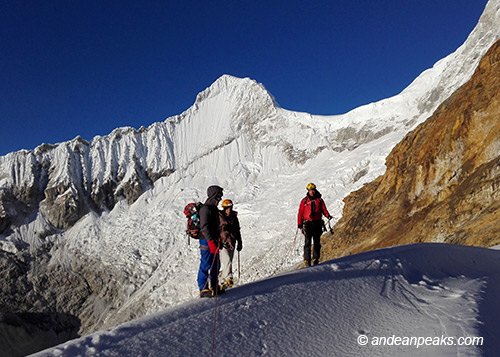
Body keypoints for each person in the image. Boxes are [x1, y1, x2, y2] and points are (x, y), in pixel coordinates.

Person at [198, 185, 224, 298]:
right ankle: (203, 289)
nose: (220, 198)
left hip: (213, 241)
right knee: (206, 264)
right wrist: (211, 242)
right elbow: (204, 227)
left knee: (215, 265)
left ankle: (214, 285)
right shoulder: (206, 209)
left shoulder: (212, 209)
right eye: (219, 195)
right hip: (206, 242)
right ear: (214, 195)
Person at [297, 183, 332, 266]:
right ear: (308, 191)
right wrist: (299, 224)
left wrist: (328, 215)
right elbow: (300, 213)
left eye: (312, 190)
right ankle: (307, 260)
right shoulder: (304, 201)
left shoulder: (319, 200)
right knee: (308, 242)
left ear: (315, 190)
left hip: (317, 223)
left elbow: (323, 209)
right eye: (310, 190)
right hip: (308, 223)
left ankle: (315, 259)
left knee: (316, 242)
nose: (311, 192)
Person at [218, 199, 242, 289]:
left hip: (232, 242)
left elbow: (237, 230)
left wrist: (240, 242)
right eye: (227, 208)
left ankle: (223, 280)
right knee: (227, 260)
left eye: (230, 208)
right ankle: (228, 278)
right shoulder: (220, 217)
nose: (229, 210)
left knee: (228, 262)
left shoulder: (234, 217)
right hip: (224, 243)